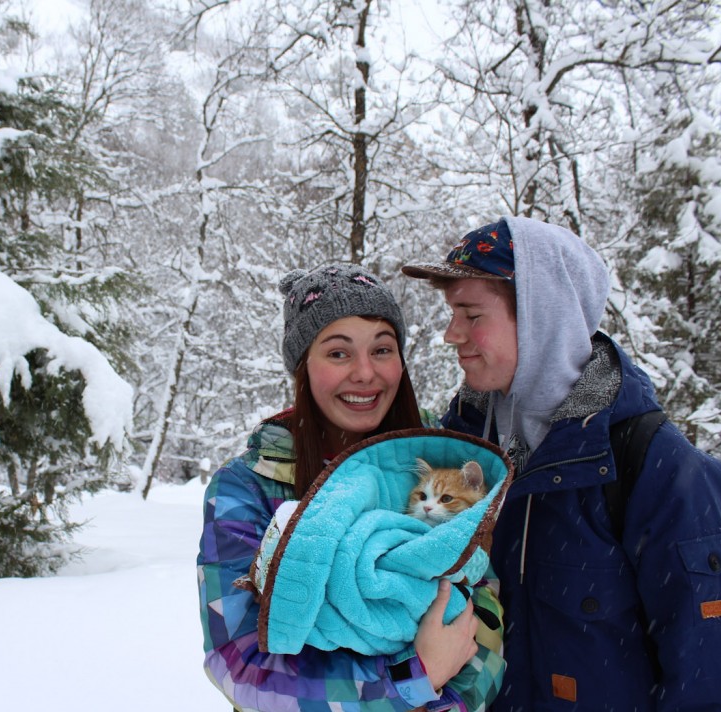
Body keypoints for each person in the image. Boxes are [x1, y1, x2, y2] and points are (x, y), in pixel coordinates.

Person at [402, 216, 721, 711]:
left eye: (471, 315)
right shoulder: (463, 448)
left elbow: (707, 684)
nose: (450, 334)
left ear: (545, 318)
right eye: (451, 313)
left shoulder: (657, 469)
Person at [197, 263, 506, 712]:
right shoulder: (248, 489)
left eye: (382, 349)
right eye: (338, 353)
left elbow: (486, 622)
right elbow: (239, 666)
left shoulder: (440, 470)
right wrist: (411, 679)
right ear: (303, 367)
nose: (365, 373)